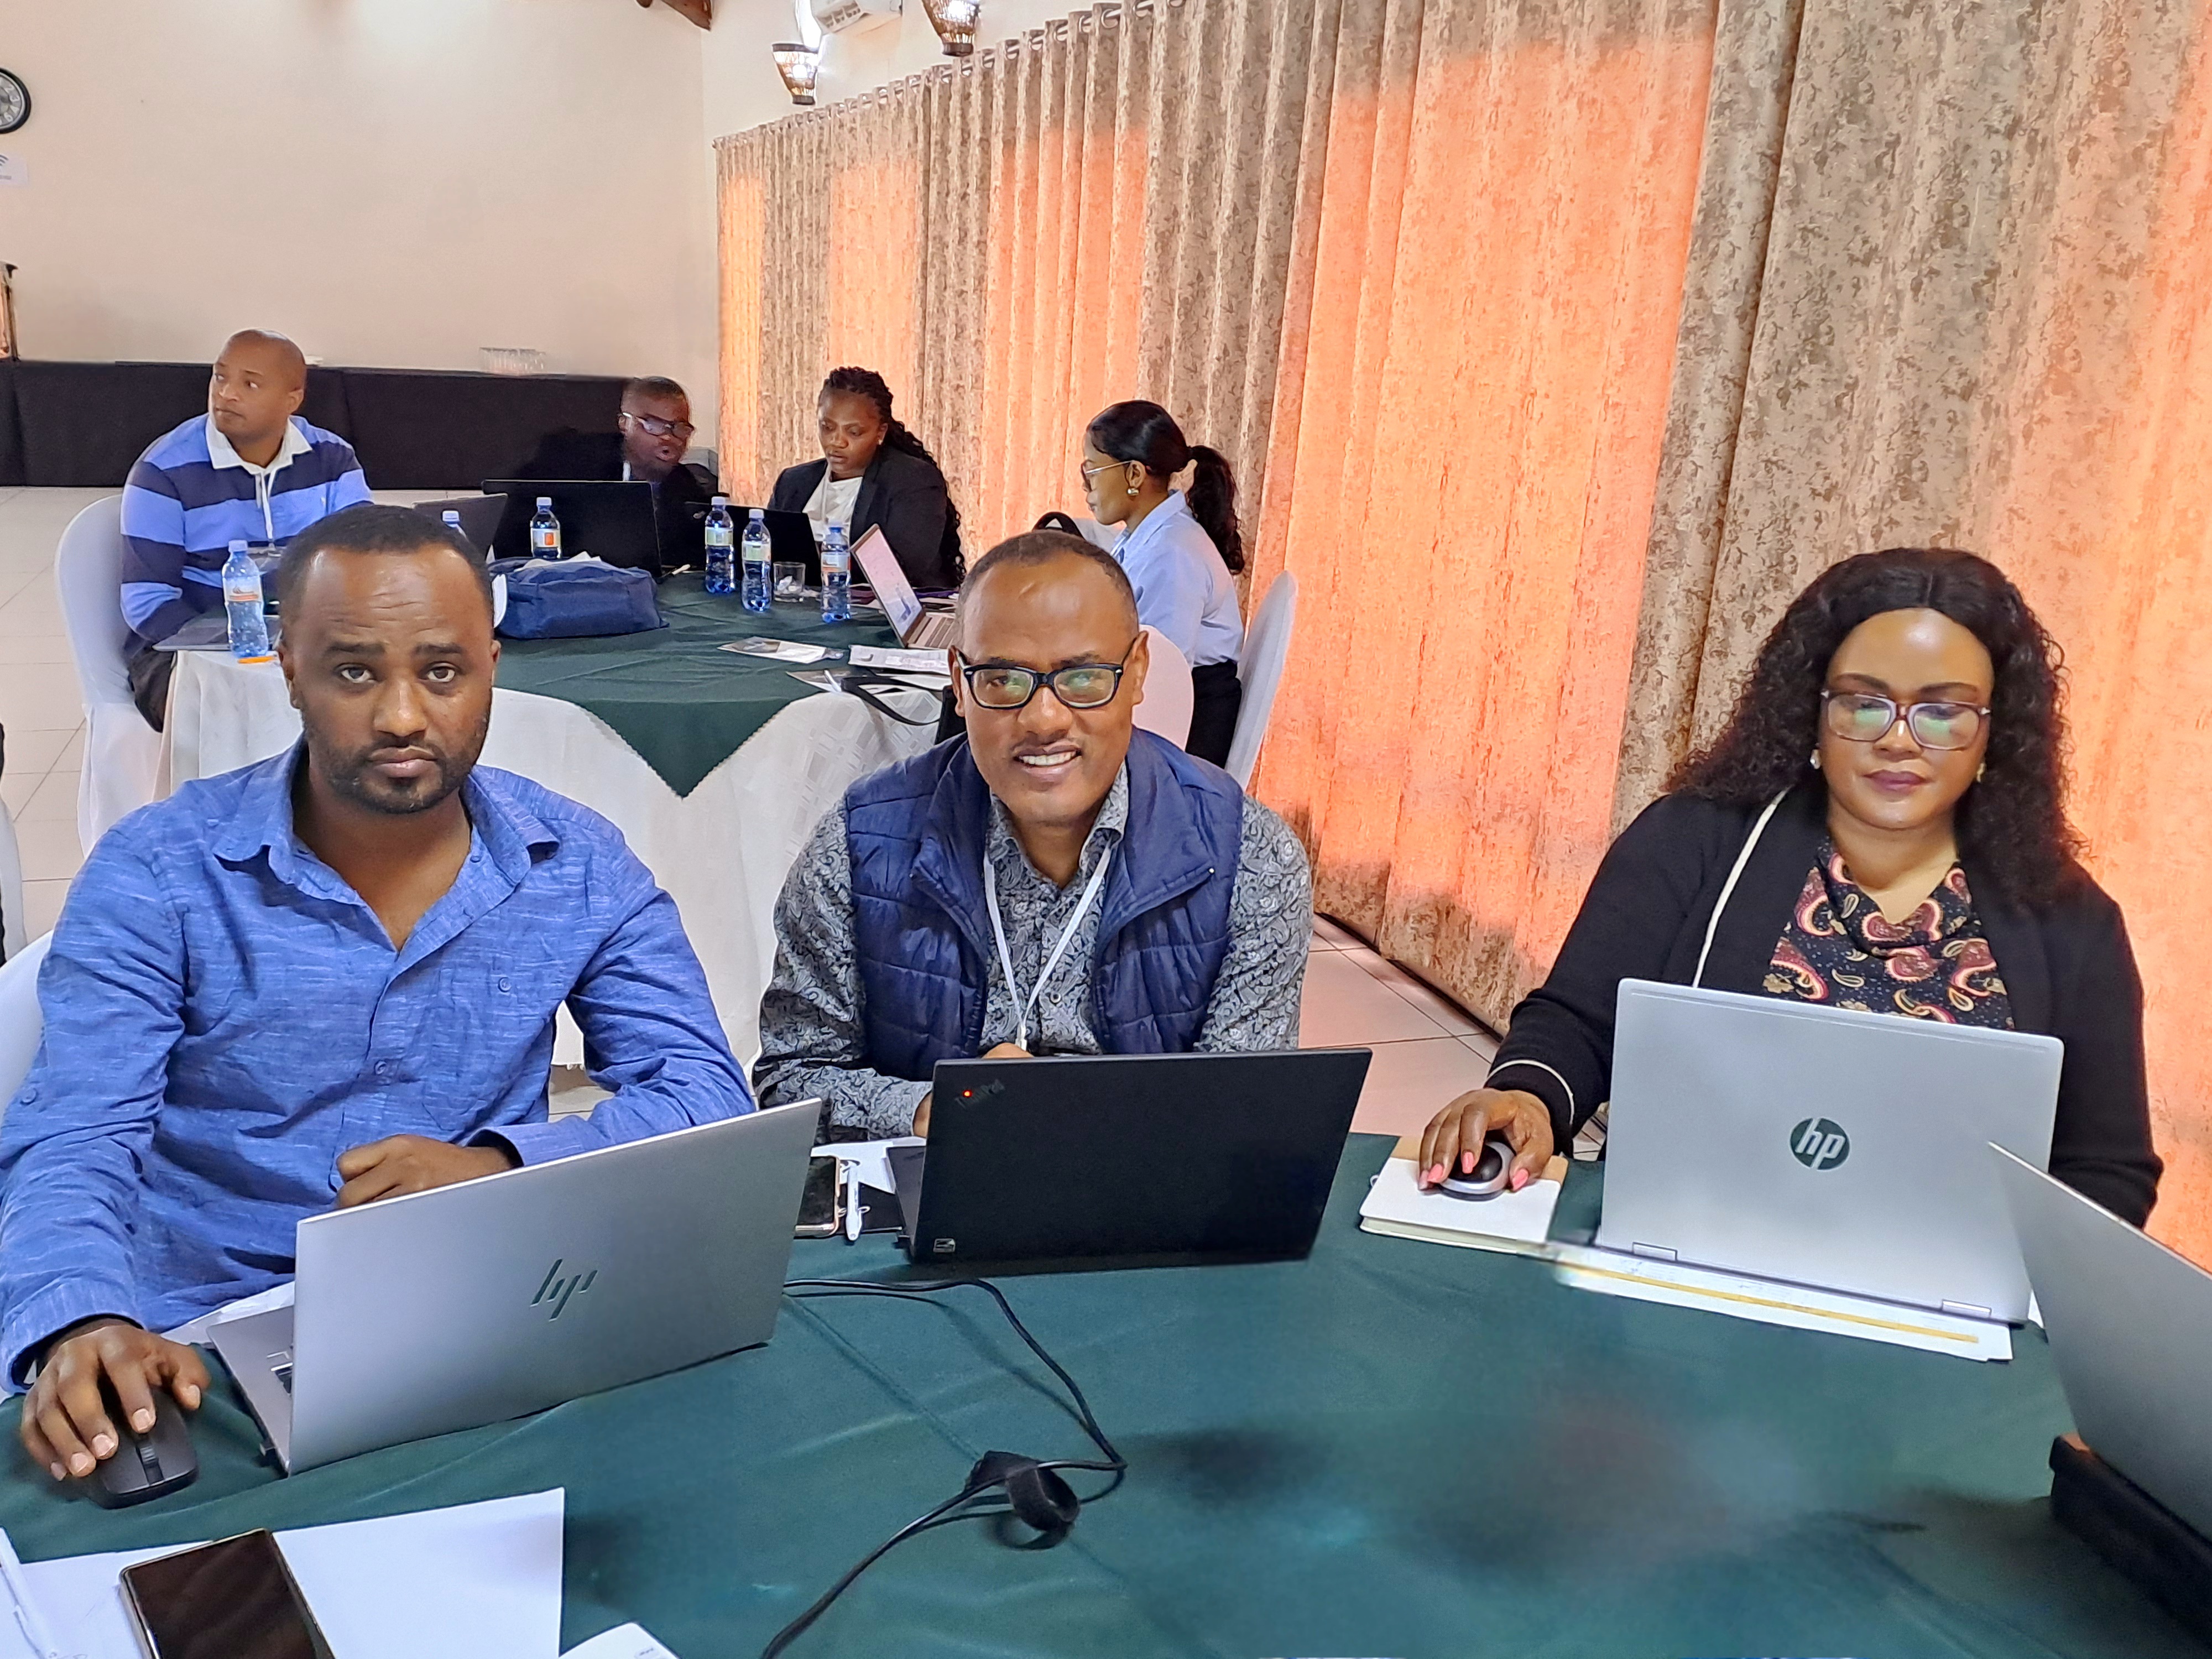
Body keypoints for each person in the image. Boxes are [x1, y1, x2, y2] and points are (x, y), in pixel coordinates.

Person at [0, 504, 752, 1485]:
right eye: (355, 672)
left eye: (442, 672)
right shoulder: (160, 869)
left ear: (491, 664)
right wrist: (83, 1318)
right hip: (187, 1336)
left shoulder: (577, 863)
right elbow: (77, 1132)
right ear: (287, 668)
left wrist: (499, 1166)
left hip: (471, 1314)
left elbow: (704, 1092)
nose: (402, 716)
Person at [1417, 547, 2162, 1225]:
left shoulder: (2070, 919)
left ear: (1995, 731)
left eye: (1942, 712)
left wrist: (2029, 1282)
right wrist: (1527, 1097)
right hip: (1685, 1236)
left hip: (1939, 1288)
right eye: (1864, 701)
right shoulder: (1694, 839)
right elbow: (1579, 1022)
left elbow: (2108, 1169)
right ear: (1813, 709)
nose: (1897, 739)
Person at [755, 530, 1311, 1138]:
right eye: (1002, 679)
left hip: (1151, 1185)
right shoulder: (859, 844)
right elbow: (791, 1080)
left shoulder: (1248, 857)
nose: (1044, 719)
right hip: (929, 1175)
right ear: (958, 682)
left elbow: (1239, 1110)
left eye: (1083, 677)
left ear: (1137, 672)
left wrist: (1080, 1121)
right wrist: (926, 1112)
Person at [119, 330, 372, 730]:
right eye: (220, 377)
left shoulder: (332, 459)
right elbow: (147, 601)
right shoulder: (163, 470)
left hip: (306, 641)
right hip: (185, 650)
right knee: (245, 714)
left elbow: (364, 565)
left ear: (292, 399)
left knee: (375, 699)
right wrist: (241, 649)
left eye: (250, 384)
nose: (226, 394)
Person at [1079, 401, 1246, 768]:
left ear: (1134, 474)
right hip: (1164, 706)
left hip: (1186, 731)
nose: (1086, 486)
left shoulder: (1171, 553)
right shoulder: (1148, 536)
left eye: (1091, 471)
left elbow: (1161, 679)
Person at [769, 367, 963, 590]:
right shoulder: (793, 482)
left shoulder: (913, 482)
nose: (837, 442)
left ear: (880, 433)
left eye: (854, 432)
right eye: (827, 428)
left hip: (883, 608)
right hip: (796, 605)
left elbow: (902, 570)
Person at [512, 375, 717, 564]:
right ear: (625, 424)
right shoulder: (572, 464)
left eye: (679, 428)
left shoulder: (688, 490)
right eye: (653, 425)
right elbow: (516, 534)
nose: (668, 437)